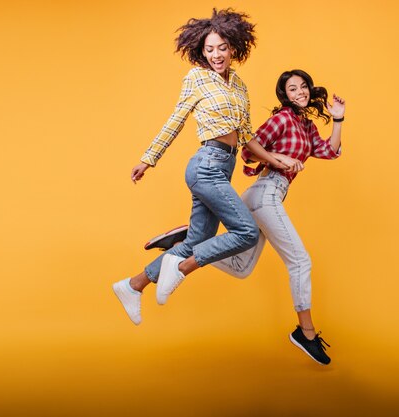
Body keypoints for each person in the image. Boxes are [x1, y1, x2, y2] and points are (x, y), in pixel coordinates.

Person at [146, 69, 345, 365]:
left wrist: (339, 119)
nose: (300, 92)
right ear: (285, 96)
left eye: (303, 86)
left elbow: (330, 151)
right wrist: (280, 159)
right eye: (293, 89)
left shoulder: (306, 128)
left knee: (241, 266)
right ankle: (307, 333)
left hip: (265, 197)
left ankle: (185, 240)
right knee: (301, 261)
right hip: (266, 192)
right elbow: (249, 151)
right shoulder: (282, 119)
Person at [112, 8, 289, 326]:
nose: (216, 54)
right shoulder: (197, 78)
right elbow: (176, 120)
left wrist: (277, 160)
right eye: (209, 49)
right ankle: (180, 268)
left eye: (221, 47)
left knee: (196, 240)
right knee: (246, 232)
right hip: (206, 164)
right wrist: (148, 159)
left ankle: (132, 285)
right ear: (201, 51)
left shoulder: (239, 85)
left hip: (224, 167)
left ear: (232, 47)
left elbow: (247, 137)